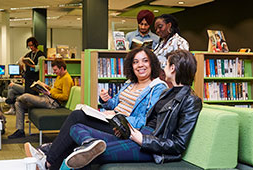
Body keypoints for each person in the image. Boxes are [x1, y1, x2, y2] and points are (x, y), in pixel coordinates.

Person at [24, 47, 168, 170]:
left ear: (152, 64)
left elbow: (145, 119)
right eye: (135, 62)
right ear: (131, 65)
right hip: (112, 119)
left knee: (77, 116)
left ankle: (48, 158)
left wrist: (118, 118)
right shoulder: (130, 83)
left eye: (145, 61)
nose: (140, 65)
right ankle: (51, 164)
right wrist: (105, 100)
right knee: (78, 127)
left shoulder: (157, 87)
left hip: (125, 128)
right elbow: (115, 103)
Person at [63, 50, 203, 169]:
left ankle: (86, 147)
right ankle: (89, 143)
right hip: (136, 134)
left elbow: (178, 145)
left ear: (172, 68)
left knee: (86, 155)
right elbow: (149, 119)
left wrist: (143, 140)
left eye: (166, 64)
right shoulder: (168, 92)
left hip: (150, 146)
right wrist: (128, 130)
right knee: (76, 128)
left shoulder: (191, 100)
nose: (163, 68)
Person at [8, 58, 74, 139]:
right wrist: (47, 88)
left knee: (26, 96)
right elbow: (57, 91)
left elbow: (65, 97)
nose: (54, 72)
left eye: (55, 70)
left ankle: (13, 99)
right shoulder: (59, 76)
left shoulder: (67, 79)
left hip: (53, 103)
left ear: (62, 68)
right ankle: (20, 130)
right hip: (48, 98)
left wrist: (50, 93)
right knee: (19, 104)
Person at [5, 37, 45, 114]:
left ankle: (10, 104)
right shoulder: (28, 54)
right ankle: (12, 108)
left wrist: (28, 64)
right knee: (11, 90)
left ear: (35, 44)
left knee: (11, 86)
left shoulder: (41, 55)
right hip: (27, 80)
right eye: (29, 46)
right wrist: (22, 65)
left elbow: (38, 68)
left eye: (32, 45)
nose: (31, 47)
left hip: (34, 81)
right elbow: (24, 66)